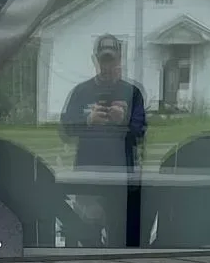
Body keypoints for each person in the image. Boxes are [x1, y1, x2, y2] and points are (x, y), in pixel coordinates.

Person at [59, 34, 146, 245]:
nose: (107, 65)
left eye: (112, 60)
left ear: (120, 60)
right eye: (104, 60)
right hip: (87, 176)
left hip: (121, 178)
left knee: (119, 237)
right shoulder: (80, 92)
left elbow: (140, 131)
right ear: (95, 60)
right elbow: (65, 130)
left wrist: (122, 120)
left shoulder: (132, 93)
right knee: (88, 236)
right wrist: (88, 120)